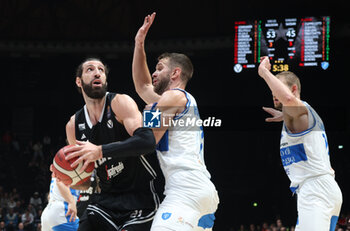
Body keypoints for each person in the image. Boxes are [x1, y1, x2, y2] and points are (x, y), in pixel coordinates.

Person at [132, 12, 219, 230]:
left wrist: (147, 112)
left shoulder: (174, 97)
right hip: (201, 190)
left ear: (175, 73)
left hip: (185, 189)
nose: (154, 72)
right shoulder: (178, 101)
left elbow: (148, 138)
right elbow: (142, 87)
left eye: (160, 68)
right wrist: (139, 43)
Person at [62, 58, 160, 231]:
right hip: (106, 200)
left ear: (105, 79)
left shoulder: (120, 103)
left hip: (139, 197)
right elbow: (84, 180)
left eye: (101, 70)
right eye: (90, 69)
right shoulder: (73, 125)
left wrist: (100, 151)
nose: (97, 72)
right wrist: (66, 176)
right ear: (79, 81)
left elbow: (147, 141)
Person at [258, 56, 342, 231]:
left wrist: (264, 72)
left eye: (277, 86)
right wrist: (285, 116)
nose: (274, 92)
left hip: (315, 190)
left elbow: (288, 99)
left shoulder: (299, 111)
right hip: (322, 188)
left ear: (294, 89)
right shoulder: (302, 115)